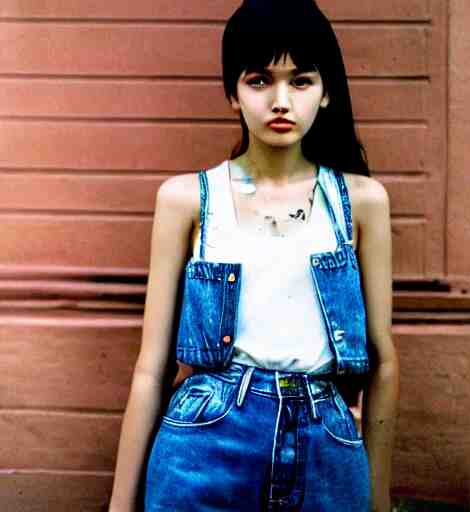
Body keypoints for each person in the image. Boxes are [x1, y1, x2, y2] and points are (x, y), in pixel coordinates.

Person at [108, 0, 399, 510]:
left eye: (301, 81)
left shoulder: (361, 202)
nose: (281, 101)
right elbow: (150, 370)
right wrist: (119, 505)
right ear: (232, 94)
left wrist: (376, 499)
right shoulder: (187, 199)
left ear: (326, 92)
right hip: (204, 443)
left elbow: (384, 362)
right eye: (260, 80)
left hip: (327, 449)